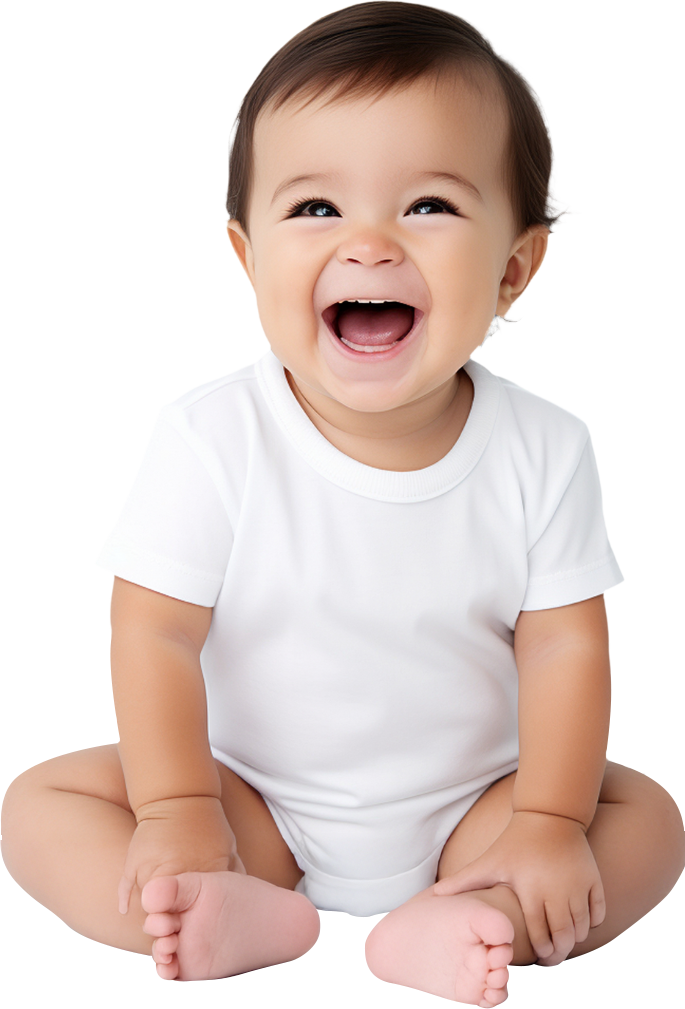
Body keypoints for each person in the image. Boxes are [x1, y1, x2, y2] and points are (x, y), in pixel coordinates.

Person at [3, 5, 684, 1006]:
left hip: (475, 814)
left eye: (428, 205)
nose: (368, 244)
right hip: (251, 806)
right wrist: (180, 807)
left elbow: (564, 647)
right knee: (38, 804)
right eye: (316, 208)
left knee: (649, 815)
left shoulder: (545, 446)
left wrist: (545, 821)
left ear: (512, 270)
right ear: (246, 261)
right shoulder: (209, 435)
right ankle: (249, 912)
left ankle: (469, 916)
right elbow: (153, 632)